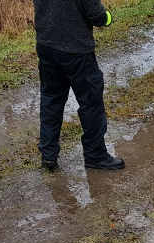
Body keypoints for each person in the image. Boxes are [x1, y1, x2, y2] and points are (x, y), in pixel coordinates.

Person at [33, 0, 124, 171]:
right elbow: (97, 16)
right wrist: (108, 18)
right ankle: (95, 156)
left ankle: (48, 156)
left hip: (46, 45)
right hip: (76, 50)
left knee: (51, 100)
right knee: (91, 103)